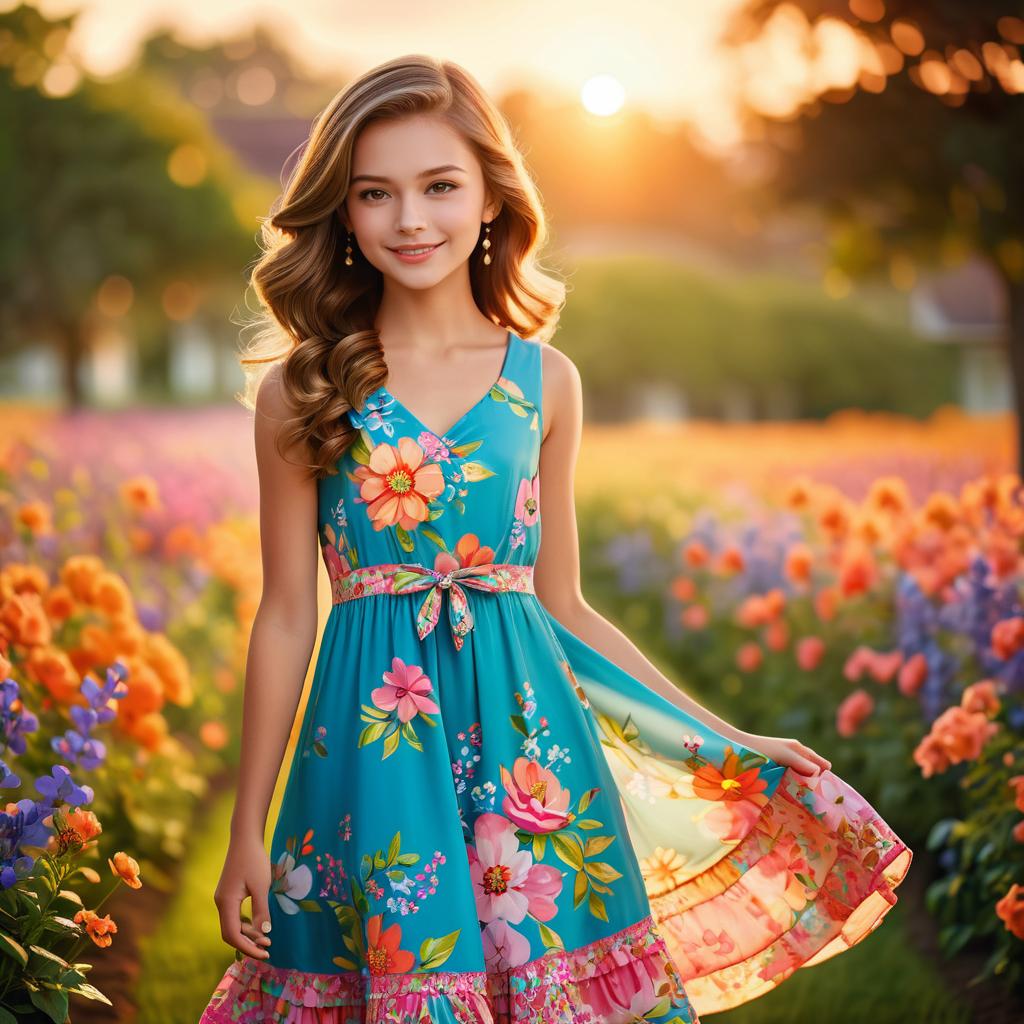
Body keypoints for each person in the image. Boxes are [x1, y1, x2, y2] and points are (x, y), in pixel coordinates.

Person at [198, 53, 912, 1024]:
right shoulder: (306, 387)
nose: (411, 220)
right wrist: (248, 825)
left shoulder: (544, 383)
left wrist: (724, 737)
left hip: (529, 747)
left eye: (440, 186)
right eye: (376, 193)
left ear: (491, 197)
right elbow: (286, 614)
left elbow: (564, 605)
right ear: (344, 214)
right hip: (370, 749)